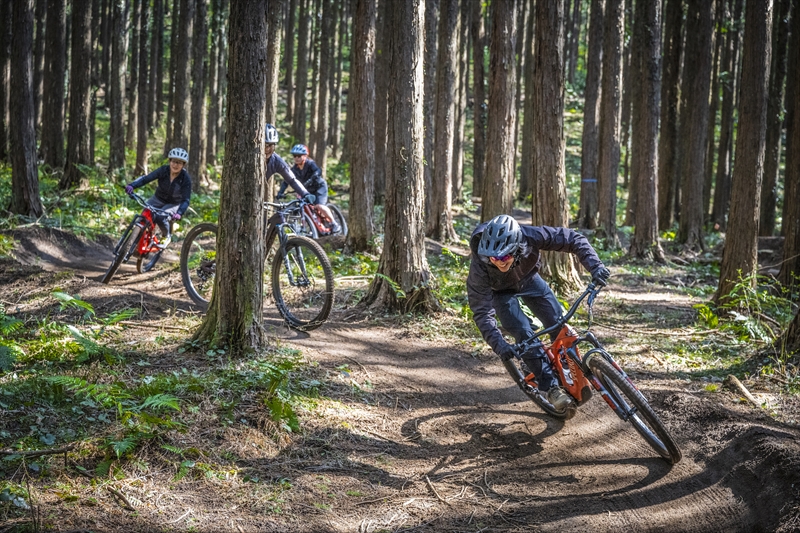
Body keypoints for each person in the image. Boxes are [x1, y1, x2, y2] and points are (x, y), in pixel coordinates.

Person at [467, 214, 611, 412]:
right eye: (494, 258)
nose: (500, 262)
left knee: (557, 323)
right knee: (523, 331)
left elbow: (572, 239)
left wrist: (595, 266)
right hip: (500, 292)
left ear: (517, 246)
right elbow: (482, 312)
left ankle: (567, 368)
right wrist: (500, 345)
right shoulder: (480, 267)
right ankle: (551, 387)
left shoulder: (529, 235)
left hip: (529, 279)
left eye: (505, 256)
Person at [125, 147, 192, 249]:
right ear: (170, 161)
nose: (175, 165)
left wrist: (179, 213)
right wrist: (132, 185)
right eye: (174, 161)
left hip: (174, 203)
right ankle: (134, 239)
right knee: (144, 216)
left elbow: (186, 199)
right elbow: (146, 179)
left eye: (179, 163)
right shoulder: (163, 170)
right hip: (158, 198)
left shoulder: (185, 179)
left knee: (161, 217)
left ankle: (166, 236)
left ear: (183, 165)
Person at [277, 143, 341, 234]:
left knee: (319, 206)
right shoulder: (294, 169)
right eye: (294, 156)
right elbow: (286, 181)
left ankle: (334, 224)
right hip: (307, 190)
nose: (296, 158)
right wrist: (281, 192)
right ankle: (313, 228)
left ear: (305, 156)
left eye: (299, 156)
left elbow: (318, 171)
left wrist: (311, 179)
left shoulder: (310, 164)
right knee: (303, 206)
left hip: (319, 188)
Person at [263, 125, 316, 208]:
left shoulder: (276, 161)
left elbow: (292, 180)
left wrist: (305, 194)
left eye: (270, 145)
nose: (267, 149)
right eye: (265, 145)